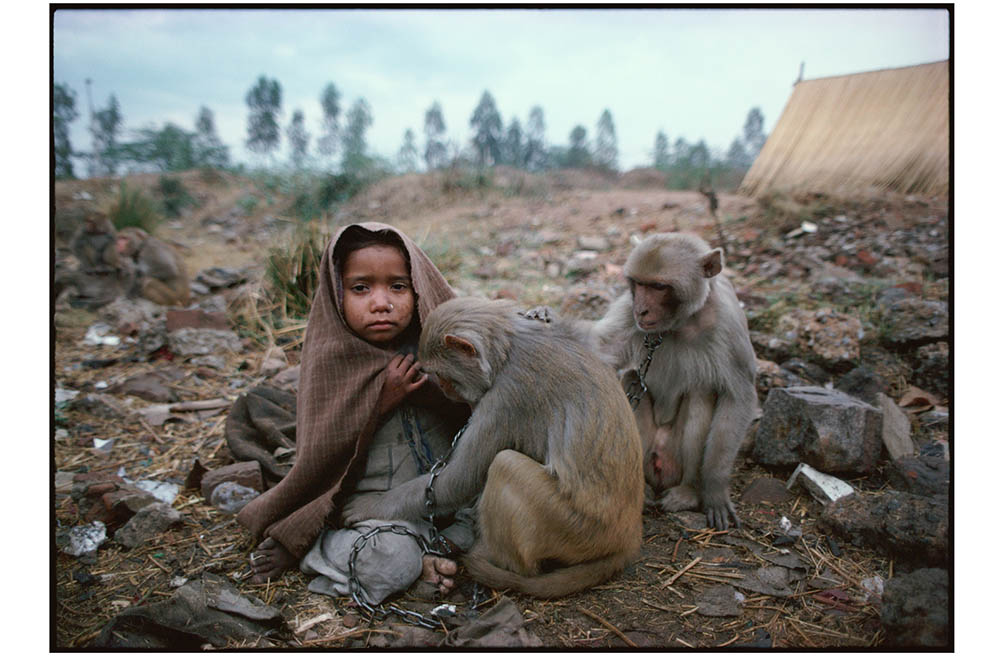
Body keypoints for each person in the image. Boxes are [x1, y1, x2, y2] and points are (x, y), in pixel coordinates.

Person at [236, 222, 473, 604]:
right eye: (361, 288)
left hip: (451, 502)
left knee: (513, 519)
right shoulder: (333, 361)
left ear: (419, 289)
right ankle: (319, 550)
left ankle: (432, 556)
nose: (381, 302)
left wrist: (432, 392)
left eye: (397, 286)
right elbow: (326, 458)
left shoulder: (438, 350)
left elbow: (474, 414)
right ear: (337, 293)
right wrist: (380, 403)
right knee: (391, 559)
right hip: (378, 511)